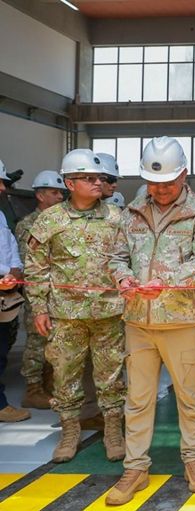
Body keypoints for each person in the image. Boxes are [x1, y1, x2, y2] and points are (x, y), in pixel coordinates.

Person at [105, 136, 195, 506]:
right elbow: (117, 256)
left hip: (181, 321)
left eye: (168, 182)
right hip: (138, 322)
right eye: (154, 183)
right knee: (137, 399)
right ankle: (136, 467)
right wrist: (122, 278)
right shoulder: (131, 212)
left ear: (184, 174)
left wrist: (166, 282)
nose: (161, 189)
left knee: (189, 397)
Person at [25, 149, 126, 463]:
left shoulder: (115, 217)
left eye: (100, 178)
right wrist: (39, 308)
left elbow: (128, 260)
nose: (99, 182)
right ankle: (69, 432)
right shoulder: (50, 220)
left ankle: (112, 430)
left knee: (111, 375)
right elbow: (36, 266)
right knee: (65, 374)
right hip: (66, 315)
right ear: (70, 183)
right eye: (89, 178)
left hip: (109, 313)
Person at [15, 171, 66, 410]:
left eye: (60, 192)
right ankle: (33, 390)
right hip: (39, 291)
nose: (59, 196)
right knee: (37, 340)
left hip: (60, 293)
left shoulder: (61, 220)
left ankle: (50, 384)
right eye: (54, 192)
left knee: (54, 341)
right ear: (40, 195)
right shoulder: (28, 224)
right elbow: (29, 262)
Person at [0, 159, 30, 423]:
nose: (2, 189)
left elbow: (11, 251)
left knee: (0, 351)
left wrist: (14, 272)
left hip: (5, 292)